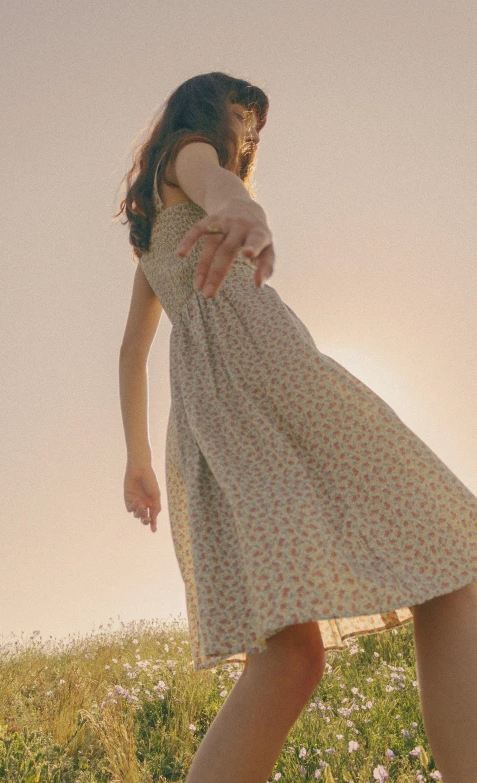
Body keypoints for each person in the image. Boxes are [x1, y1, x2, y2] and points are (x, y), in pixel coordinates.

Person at [115, 72, 477, 783]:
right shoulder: (191, 156)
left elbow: (131, 349)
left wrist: (138, 458)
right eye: (245, 120)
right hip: (274, 393)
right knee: (453, 550)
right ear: (211, 113)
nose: (249, 138)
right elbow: (217, 182)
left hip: (215, 422)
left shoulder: (157, 231)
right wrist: (243, 206)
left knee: (290, 657)